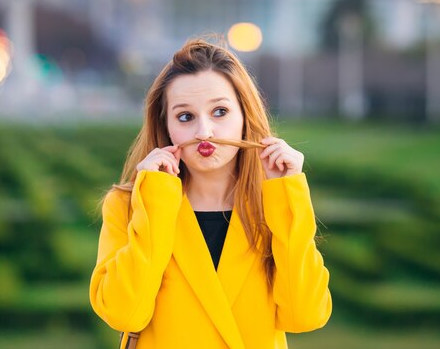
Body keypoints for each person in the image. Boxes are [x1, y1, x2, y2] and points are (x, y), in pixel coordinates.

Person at [89, 37, 332, 349]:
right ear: (166, 126)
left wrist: (286, 193)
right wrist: (154, 200)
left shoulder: (271, 203)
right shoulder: (128, 205)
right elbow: (125, 314)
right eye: (186, 117)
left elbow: (305, 315)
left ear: (245, 115)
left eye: (219, 112)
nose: (204, 132)